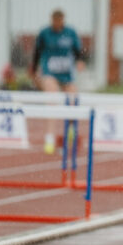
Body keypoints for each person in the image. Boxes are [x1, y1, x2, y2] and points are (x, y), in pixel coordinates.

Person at [29, 9, 85, 153]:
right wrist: (34, 70)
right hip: (50, 72)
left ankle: (71, 129)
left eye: (59, 20)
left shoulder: (70, 33)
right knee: (51, 99)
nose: (57, 23)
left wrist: (79, 61)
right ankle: (50, 137)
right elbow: (37, 52)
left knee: (73, 102)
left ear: (63, 20)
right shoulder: (45, 34)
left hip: (66, 75)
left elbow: (78, 51)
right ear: (52, 20)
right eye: (55, 20)